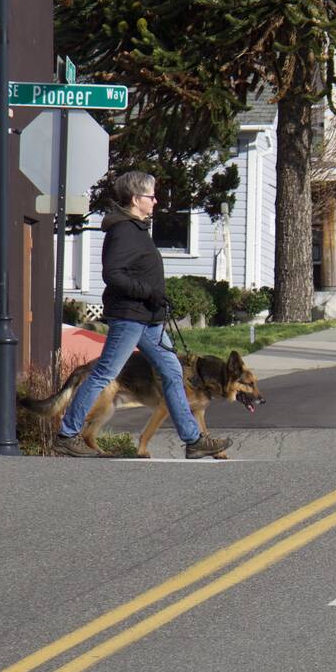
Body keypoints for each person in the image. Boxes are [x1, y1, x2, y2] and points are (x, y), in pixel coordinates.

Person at [56, 171, 229, 459]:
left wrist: (155, 298)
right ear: (136, 199)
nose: (155, 200)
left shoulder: (136, 228)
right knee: (104, 374)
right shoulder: (123, 230)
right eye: (151, 196)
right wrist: (147, 292)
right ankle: (67, 434)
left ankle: (193, 440)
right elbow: (113, 274)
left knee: (173, 372)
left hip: (148, 319)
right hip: (130, 317)